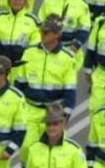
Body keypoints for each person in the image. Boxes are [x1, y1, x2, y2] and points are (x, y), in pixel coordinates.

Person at [17, 19, 81, 153]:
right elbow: (20, 84)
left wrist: (66, 115)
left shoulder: (67, 58)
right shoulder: (29, 52)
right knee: (26, 148)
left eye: (46, 32)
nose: (42, 34)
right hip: (30, 109)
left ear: (57, 35)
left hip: (54, 111)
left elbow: (70, 91)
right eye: (41, 31)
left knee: (54, 150)